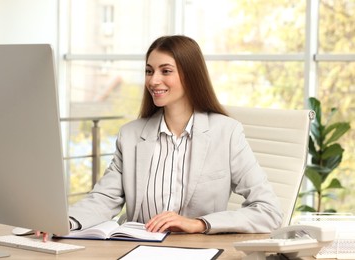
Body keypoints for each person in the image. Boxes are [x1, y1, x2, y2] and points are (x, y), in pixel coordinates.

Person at [54, 35, 283, 240]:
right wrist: (65, 222)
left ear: (190, 75)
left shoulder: (227, 133)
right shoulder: (131, 135)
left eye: (165, 71)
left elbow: (269, 211)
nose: (153, 81)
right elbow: (104, 198)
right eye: (149, 71)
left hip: (199, 251)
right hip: (136, 250)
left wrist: (198, 224)